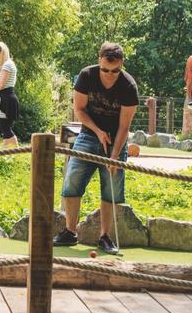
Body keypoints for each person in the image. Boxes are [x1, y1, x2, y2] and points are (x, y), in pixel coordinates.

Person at [53, 42, 139, 255]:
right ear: (99, 60)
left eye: (115, 71)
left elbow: (124, 126)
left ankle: (104, 237)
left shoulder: (129, 86)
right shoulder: (86, 76)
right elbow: (80, 110)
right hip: (89, 135)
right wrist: (98, 131)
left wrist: (115, 155)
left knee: (111, 188)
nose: (110, 75)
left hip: (116, 141)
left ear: (122, 65)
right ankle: (70, 232)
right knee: (72, 180)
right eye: (105, 70)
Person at [0, 41, 20, 147]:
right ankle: (7, 143)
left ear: (3, 52)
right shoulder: (8, 64)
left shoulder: (7, 65)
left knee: (4, 125)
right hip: (6, 96)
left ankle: (15, 146)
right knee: (5, 124)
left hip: (5, 98)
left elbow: (1, 83)